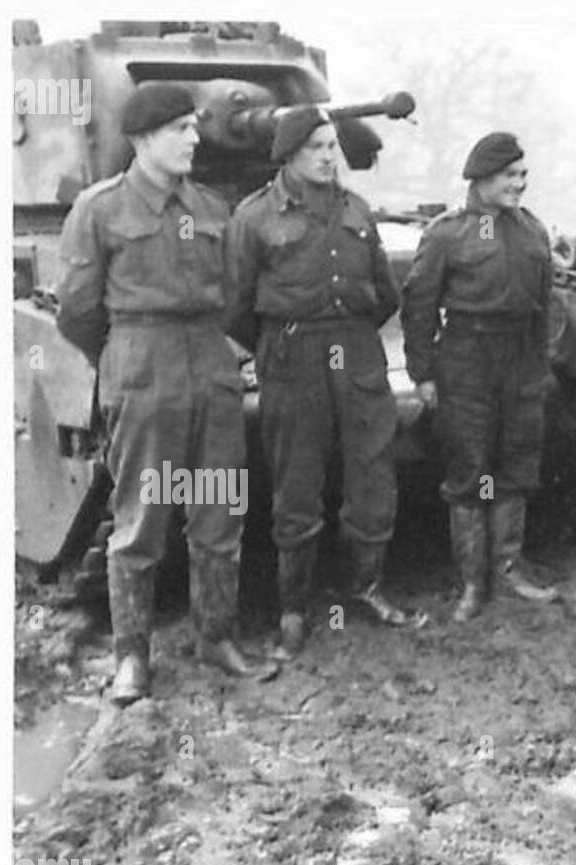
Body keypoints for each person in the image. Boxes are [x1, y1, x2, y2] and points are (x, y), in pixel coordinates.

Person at [56, 82, 276, 705]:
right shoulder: (99, 210)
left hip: (209, 364)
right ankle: (132, 657)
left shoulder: (209, 206)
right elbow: (77, 312)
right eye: (180, 129)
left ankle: (217, 636)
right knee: (142, 518)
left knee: (218, 510)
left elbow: (236, 294)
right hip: (142, 365)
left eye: (193, 127)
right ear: (142, 139)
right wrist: (126, 358)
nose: (195, 138)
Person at [229, 106, 417, 658]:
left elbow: (386, 294)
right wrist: (283, 340)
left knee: (372, 475)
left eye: (333, 146)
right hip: (293, 358)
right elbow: (235, 306)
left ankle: (366, 586)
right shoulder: (254, 217)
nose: (329, 156)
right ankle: (293, 609)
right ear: (288, 154)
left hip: (356, 353)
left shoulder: (356, 209)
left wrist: (348, 333)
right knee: (297, 484)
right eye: (316, 147)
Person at [401, 132, 561, 621]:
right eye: (510, 176)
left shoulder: (531, 230)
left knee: (515, 464)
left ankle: (509, 568)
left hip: (519, 360)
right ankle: (473, 581)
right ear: (482, 178)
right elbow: (419, 306)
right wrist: (424, 374)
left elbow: (546, 306)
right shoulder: (447, 233)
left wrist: (541, 364)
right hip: (466, 357)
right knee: (472, 468)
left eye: (523, 175)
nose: (520, 184)